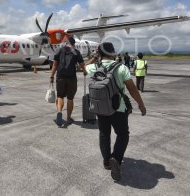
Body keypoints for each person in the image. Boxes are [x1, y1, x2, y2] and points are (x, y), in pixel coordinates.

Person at [86, 42, 146, 181]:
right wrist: (141, 105)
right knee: (123, 134)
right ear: (113, 53)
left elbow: (82, 67)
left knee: (104, 135)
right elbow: (132, 89)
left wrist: (95, 57)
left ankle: (107, 162)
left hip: (100, 108)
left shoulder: (94, 67)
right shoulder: (121, 68)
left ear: (99, 53)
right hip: (118, 109)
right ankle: (116, 159)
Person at [50, 36, 87, 127]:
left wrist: (51, 76)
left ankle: (59, 112)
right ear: (73, 44)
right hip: (71, 78)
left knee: (60, 96)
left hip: (60, 77)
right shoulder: (76, 52)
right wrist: (85, 71)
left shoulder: (59, 51)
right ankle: (68, 118)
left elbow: (55, 65)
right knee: (70, 98)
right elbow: (82, 65)